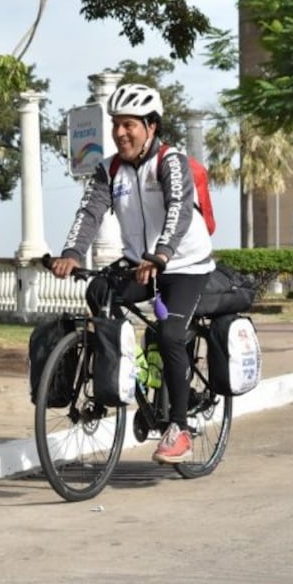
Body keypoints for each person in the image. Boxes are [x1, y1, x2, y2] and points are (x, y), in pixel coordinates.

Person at [49, 83, 215, 464]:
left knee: (171, 334)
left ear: (151, 127)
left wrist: (161, 254)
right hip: (138, 261)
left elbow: (179, 209)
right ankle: (127, 377)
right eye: (116, 125)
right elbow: (90, 212)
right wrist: (72, 253)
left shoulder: (170, 162)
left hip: (184, 264)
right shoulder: (109, 170)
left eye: (130, 125)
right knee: (98, 293)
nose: (121, 133)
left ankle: (179, 429)